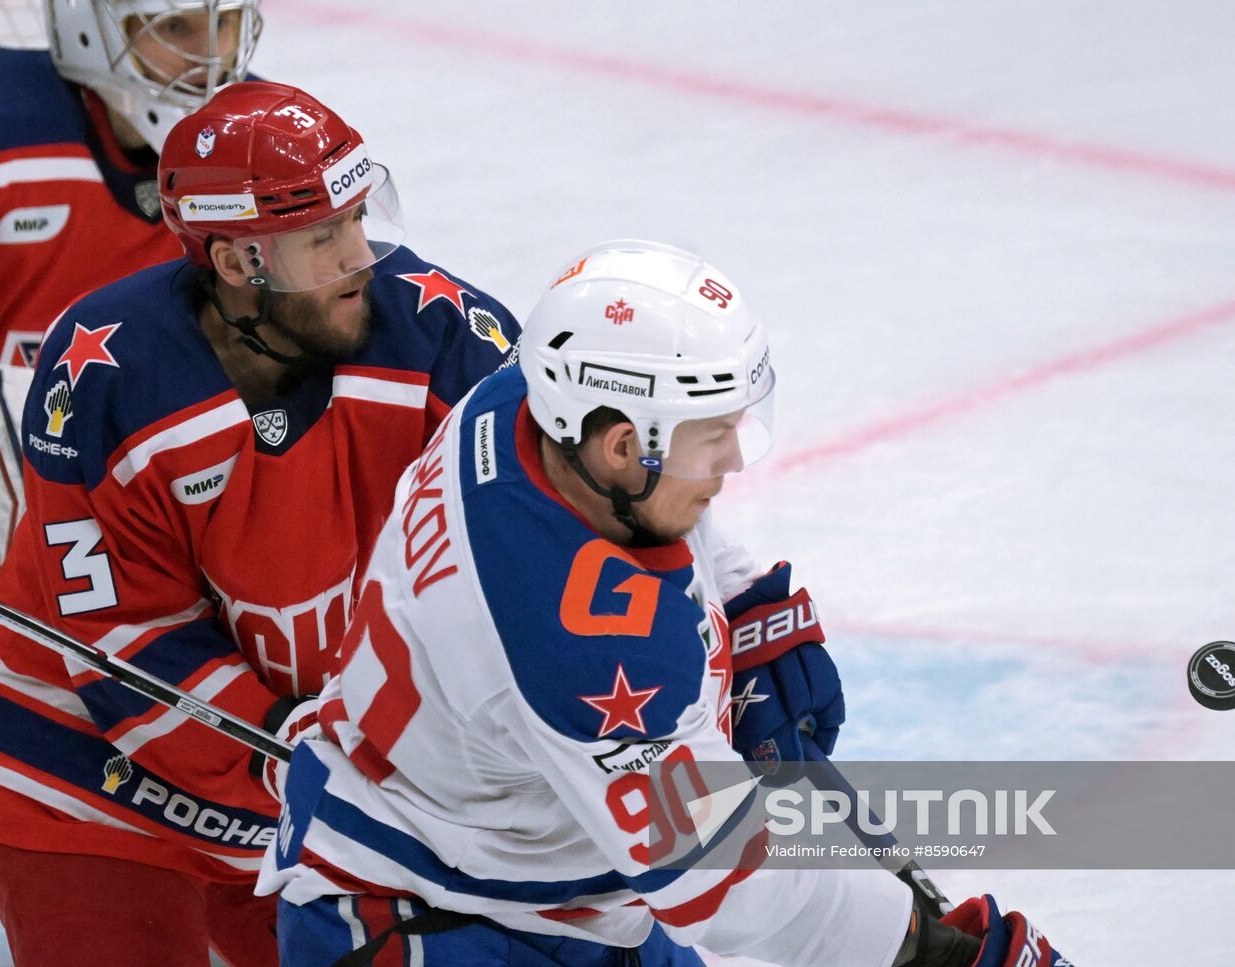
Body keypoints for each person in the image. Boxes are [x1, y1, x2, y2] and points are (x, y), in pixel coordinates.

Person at [258, 240, 1071, 966]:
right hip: (433, 919)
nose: (731, 463)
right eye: (710, 435)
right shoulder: (585, 644)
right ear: (621, 443)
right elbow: (728, 884)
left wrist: (745, 603)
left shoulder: (520, 404)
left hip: (549, 881)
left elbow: (657, 512)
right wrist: (938, 946)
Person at [0, 80, 522, 967]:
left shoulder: (446, 341)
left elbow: (564, 534)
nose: (360, 257)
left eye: (357, 218)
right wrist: (309, 748)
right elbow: (127, 644)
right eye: (322, 238)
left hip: (317, 782)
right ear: (235, 262)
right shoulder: (109, 379)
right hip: (89, 789)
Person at [0, 0, 265, 929]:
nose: (212, 60)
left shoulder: (259, 147)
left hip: (122, 568)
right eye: (180, 28)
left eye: (229, 26)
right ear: (96, 27)